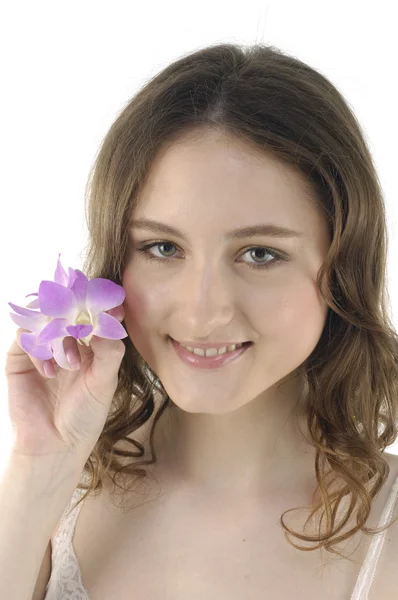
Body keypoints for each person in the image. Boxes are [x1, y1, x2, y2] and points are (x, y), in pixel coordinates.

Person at [3, 42, 398, 600]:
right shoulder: (54, 494)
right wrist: (40, 466)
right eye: (163, 247)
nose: (201, 310)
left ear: (343, 266)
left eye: (259, 253)